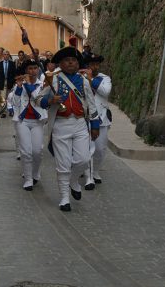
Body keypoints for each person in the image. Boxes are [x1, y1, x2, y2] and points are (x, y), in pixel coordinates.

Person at [37, 46, 100, 211]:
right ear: (61, 63)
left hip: (80, 124)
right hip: (60, 124)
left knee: (83, 159)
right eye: (67, 60)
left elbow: (92, 106)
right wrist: (50, 101)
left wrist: (94, 126)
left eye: (74, 60)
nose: (71, 63)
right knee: (63, 163)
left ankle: (73, 181)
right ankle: (65, 197)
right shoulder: (53, 79)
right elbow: (37, 99)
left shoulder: (84, 81)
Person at [13, 59, 47, 191]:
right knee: (26, 152)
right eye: (30, 69)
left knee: (37, 151)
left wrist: (27, 84)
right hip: (23, 121)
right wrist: (19, 87)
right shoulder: (20, 85)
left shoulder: (43, 84)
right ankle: (28, 179)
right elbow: (15, 103)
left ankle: (35, 172)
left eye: (35, 68)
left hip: (38, 121)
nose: (33, 71)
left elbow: (37, 98)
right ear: (26, 71)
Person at [83, 54, 112, 190]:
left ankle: (95, 171)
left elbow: (105, 92)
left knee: (100, 149)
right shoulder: (80, 77)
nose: (93, 67)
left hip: (102, 118)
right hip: (86, 118)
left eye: (96, 64)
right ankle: (88, 177)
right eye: (91, 64)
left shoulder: (105, 79)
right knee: (89, 148)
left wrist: (91, 80)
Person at [0, 49, 16, 114]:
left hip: (10, 82)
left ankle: (10, 110)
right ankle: (3, 112)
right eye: (5, 54)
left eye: (7, 54)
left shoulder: (12, 64)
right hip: (2, 83)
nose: (6, 56)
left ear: (9, 55)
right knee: (3, 97)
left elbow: (14, 74)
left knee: (9, 97)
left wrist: (14, 83)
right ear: (3, 55)